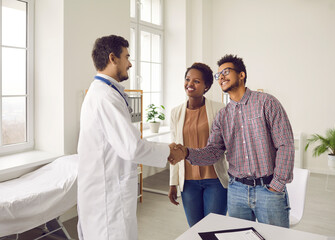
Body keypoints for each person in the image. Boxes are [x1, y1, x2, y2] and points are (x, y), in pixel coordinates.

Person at [170, 54, 294, 228]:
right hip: (237, 191)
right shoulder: (223, 116)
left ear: (241, 75)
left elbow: (285, 144)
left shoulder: (267, 103)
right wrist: (187, 152)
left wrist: (277, 184)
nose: (221, 77)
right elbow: (213, 152)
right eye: (218, 74)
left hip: (268, 189)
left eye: (226, 72)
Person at [77, 35, 174, 240]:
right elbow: (132, 148)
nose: (129, 63)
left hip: (107, 191)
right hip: (108, 197)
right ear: (113, 58)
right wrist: (170, 151)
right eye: (127, 57)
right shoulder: (105, 97)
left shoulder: (105, 92)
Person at [168, 62, 229, 227]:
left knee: (213, 229)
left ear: (206, 86)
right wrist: (173, 183)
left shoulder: (219, 109)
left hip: (215, 180)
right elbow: (175, 150)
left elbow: (226, 145)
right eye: (187, 79)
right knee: (195, 230)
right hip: (188, 182)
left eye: (196, 81)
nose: (190, 84)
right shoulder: (176, 113)